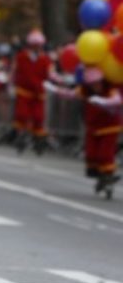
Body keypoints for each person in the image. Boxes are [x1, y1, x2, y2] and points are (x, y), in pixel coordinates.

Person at [52, 67, 121, 198]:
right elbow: (71, 94)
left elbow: (117, 100)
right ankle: (100, 176)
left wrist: (104, 101)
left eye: (98, 82)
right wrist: (56, 90)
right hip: (93, 127)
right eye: (93, 83)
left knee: (105, 154)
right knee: (91, 154)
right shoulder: (85, 90)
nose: (96, 85)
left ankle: (108, 175)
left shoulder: (110, 88)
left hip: (109, 126)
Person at [11, 30, 54, 155]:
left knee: (38, 117)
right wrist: (11, 85)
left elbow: (51, 74)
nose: (36, 48)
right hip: (24, 91)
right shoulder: (21, 57)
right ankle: (20, 136)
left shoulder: (46, 59)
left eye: (38, 46)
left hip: (38, 93)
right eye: (34, 45)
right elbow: (14, 71)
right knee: (22, 115)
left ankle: (38, 139)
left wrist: (61, 80)